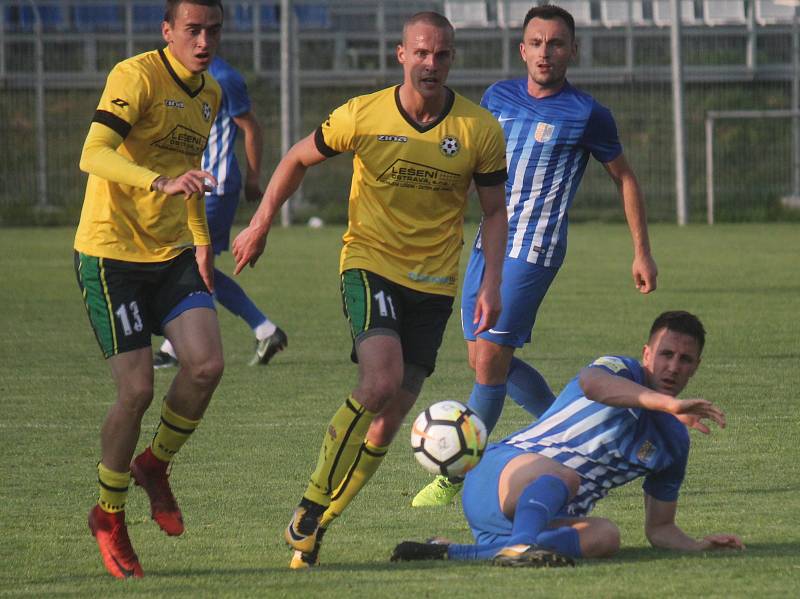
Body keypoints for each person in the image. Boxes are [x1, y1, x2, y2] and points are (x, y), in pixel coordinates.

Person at [231, 12, 509, 569]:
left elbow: (495, 211)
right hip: (370, 263)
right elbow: (296, 158)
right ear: (401, 54)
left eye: (443, 55)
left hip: (433, 285)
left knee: (389, 418)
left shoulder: (479, 129)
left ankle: (317, 527)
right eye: (422, 53)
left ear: (452, 59)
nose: (432, 64)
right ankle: (310, 503)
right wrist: (260, 222)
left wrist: (493, 283)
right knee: (378, 381)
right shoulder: (363, 113)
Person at [412, 4, 659, 507]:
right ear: (522, 49)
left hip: (535, 248)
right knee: (483, 356)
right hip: (491, 241)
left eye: (557, 43)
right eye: (537, 43)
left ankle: (456, 473)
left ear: (573, 50)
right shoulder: (496, 97)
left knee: (489, 362)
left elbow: (625, 178)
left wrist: (642, 252)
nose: (546, 52)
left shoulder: (587, 113)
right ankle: (574, 436)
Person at [393, 311, 744, 566]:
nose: (673, 367)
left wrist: (698, 547)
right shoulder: (620, 369)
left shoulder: (674, 443)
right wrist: (669, 404)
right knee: (564, 474)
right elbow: (593, 385)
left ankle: (455, 551)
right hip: (500, 475)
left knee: (606, 535)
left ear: (696, 366)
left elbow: (660, 528)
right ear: (647, 354)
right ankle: (520, 546)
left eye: (685, 360)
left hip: (543, 518)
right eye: (666, 354)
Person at [73, 0, 224, 579]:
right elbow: (93, 153)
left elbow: (192, 173)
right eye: (193, 30)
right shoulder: (134, 76)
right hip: (110, 253)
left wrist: (202, 242)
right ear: (168, 32)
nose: (203, 40)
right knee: (135, 391)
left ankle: (154, 464)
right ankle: (109, 515)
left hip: (171, 253)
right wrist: (157, 181)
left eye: (212, 30)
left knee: (206, 365)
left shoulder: (209, 94)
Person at [154, 55, 288, 370]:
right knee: (196, 264)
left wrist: (254, 179)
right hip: (191, 184)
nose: (199, 41)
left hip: (216, 185)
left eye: (207, 30)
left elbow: (251, 128)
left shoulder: (224, 78)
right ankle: (264, 330)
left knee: (194, 263)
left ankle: (175, 347)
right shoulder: (174, 75)